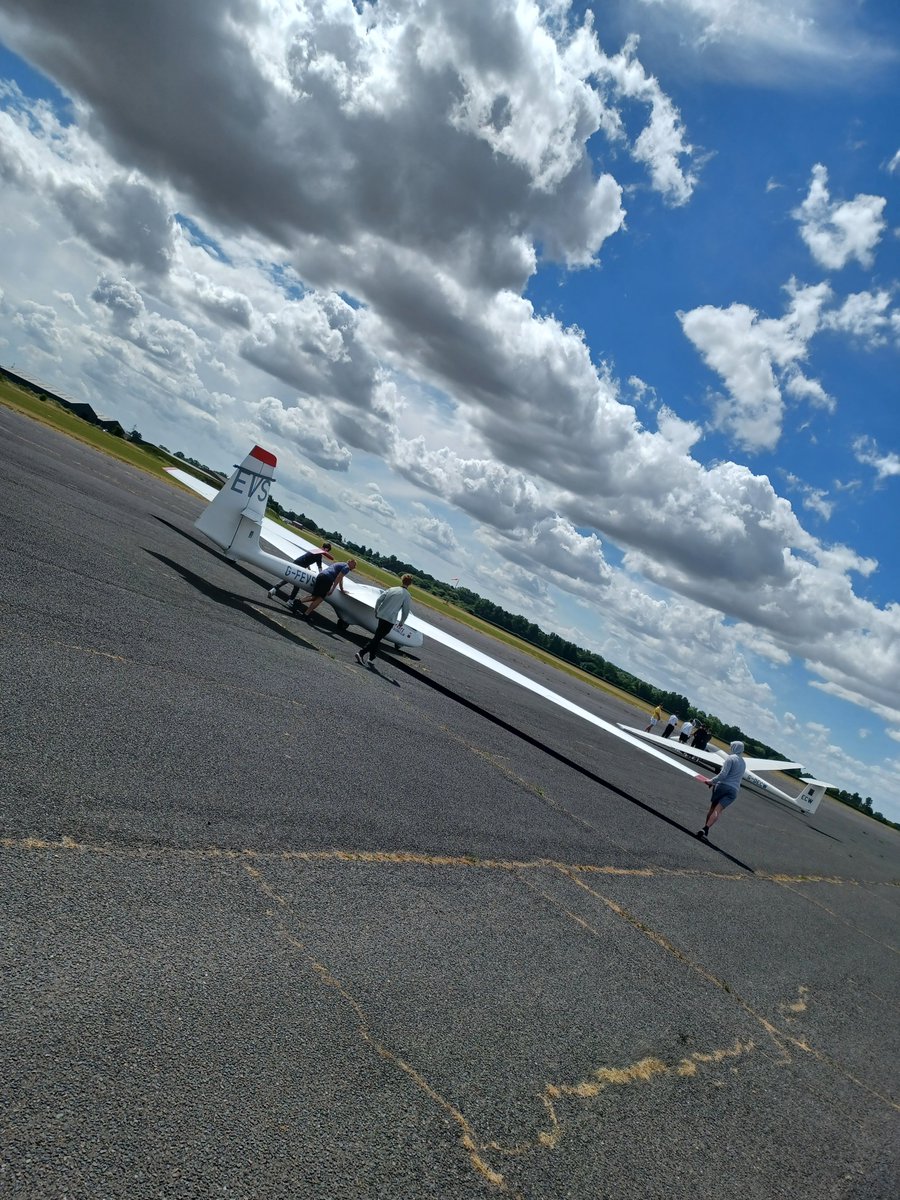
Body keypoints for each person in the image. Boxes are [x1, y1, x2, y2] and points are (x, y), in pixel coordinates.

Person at [355, 575, 413, 668]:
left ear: (402, 580)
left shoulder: (392, 589)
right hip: (390, 619)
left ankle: (372, 657)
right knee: (377, 638)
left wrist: (376, 610)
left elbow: (379, 599)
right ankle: (361, 653)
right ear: (410, 584)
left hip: (381, 616)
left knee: (378, 636)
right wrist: (402, 621)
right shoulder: (407, 595)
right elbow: (405, 610)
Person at [696, 742, 747, 840]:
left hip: (723, 786)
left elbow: (723, 775)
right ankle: (706, 829)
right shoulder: (743, 763)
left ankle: (705, 829)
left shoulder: (730, 758)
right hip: (734, 790)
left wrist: (711, 781)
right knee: (718, 810)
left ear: (734, 748)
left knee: (713, 808)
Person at [268, 542, 334, 605]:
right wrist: (322, 575)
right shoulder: (319, 556)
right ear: (326, 550)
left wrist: (309, 569)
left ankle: (273, 589)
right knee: (297, 584)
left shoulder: (314, 550)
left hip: (296, 562)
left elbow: (307, 559)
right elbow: (319, 567)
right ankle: (290, 600)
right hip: (300, 566)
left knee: (288, 578)